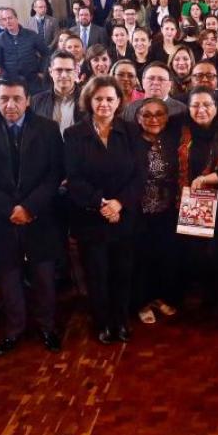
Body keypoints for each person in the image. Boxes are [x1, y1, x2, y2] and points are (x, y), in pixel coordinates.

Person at [0, 79, 65, 356]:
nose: (10, 105)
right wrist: (10, 208)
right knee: (8, 281)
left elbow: (55, 173)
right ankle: (14, 330)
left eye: (16, 99)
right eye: (4, 99)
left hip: (40, 216)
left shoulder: (48, 129)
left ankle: (47, 327)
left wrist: (29, 207)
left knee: (44, 279)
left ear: (28, 100)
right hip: (0, 219)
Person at [65, 76, 146, 344]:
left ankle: (121, 321)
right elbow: (73, 178)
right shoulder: (74, 134)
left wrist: (119, 203)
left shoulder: (132, 130)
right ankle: (102, 323)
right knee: (96, 274)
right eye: (98, 98)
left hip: (124, 215)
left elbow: (139, 175)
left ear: (119, 102)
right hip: (91, 216)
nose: (104, 103)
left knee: (123, 273)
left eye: (110, 99)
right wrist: (101, 203)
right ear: (89, 100)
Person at [178, 86, 218, 313]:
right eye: (195, 105)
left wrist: (209, 178)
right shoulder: (182, 130)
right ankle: (206, 298)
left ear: (217, 107)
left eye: (207, 104)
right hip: (192, 202)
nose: (201, 109)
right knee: (197, 251)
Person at [132, 98, 181, 324]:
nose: (153, 119)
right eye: (147, 115)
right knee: (141, 257)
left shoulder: (172, 140)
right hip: (139, 209)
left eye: (159, 114)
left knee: (165, 256)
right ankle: (141, 301)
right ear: (138, 118)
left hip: (168, 208)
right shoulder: (132, 142)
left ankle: (160, 297)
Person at [0, 6, 50, 92]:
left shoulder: (31, 35)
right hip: (11, 83)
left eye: (10, 18)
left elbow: (46, 53)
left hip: (33, 81)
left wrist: (42, 71)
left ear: (16, 18)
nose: (8, 21)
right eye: (4, 19)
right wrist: (4, 76)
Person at [31, 50, 83, 135]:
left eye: (68, 70)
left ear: (75, 72)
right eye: (59, 70)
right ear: (50, 72)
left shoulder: (87, 99)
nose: (64, 75)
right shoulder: (36, 101)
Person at [122, 62, 187, 122]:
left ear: (170, 84)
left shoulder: (182, 110)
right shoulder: (131, 109)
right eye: (151, 78)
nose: (155, 83)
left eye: (161, 79)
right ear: (143, 82)